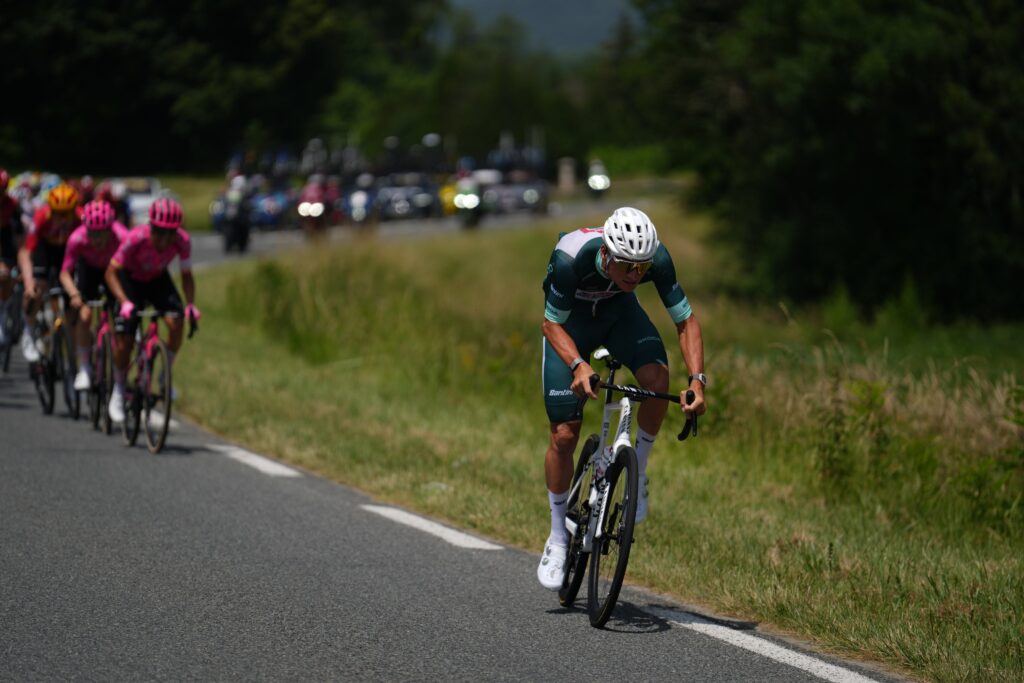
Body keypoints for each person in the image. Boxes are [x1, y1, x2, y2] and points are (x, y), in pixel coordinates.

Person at [536, 207, 707, 590]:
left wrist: (697, 381)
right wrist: (578, 365)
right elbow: (551, 323)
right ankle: (558, 537)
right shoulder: (570, 257)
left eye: (642, 268)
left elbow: (686, 320)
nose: (635, 274)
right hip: (571, 326)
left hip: (619, 317)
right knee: (564, 434)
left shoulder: (655, 259)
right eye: (627, 266)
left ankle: (637, 473)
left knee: (657, 380)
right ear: (606, 254)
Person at [104, 197, 199, 422]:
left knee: (177, 322)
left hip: (157, 279)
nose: (164, 240)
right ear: (151, 227)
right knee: (125, 341)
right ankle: (118, 390)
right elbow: (111, 272)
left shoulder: (183, 241)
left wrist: (190, 304)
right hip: (130, 281)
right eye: (159, 232)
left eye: (170, 233)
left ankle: (165, 374)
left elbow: (186, 275)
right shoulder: (135, 238)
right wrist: (124, 301)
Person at [58, 200, 128, 390]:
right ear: (86, 229)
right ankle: (85, 368)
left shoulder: (122, 236)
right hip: (88, 271)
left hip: (113, 272)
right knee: (85, 315)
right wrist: (74, 294)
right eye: (93, 233)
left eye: (102, 233)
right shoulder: (77, 238)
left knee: (122, 319)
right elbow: (65, 273)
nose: (97, 239)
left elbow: (132, 268)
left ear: (110, 228)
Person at [17, 182, 80, 362]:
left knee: (73, 303)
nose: (62, 218)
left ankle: (72, 351)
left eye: (66, 213)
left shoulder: (80, 217)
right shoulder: (41, 217)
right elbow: (25, 252)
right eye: (58, 213)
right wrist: (29, 283)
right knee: (37, 289)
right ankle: (29, 330)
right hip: (44, 250)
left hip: (66, 252)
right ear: (51, 210)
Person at [0, 169, 25, 348]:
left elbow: (19, 235)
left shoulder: (13, 205)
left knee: (5, 275)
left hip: (6, 239)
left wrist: (22, 262)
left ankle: (2, 311)